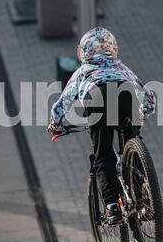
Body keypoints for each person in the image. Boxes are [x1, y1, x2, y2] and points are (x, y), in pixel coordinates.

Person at [47, 27, 156, 225]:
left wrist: (56, 125)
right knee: (132, 141)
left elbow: (62, 104)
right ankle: (143, 199)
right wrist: (145, 112)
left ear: (84, 51)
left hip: (97, 95)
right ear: (113, 48)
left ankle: (112, 207)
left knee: (103, 153)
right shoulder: (121, 67)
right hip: (126, 95)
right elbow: (148, 95)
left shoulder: (83, 71)